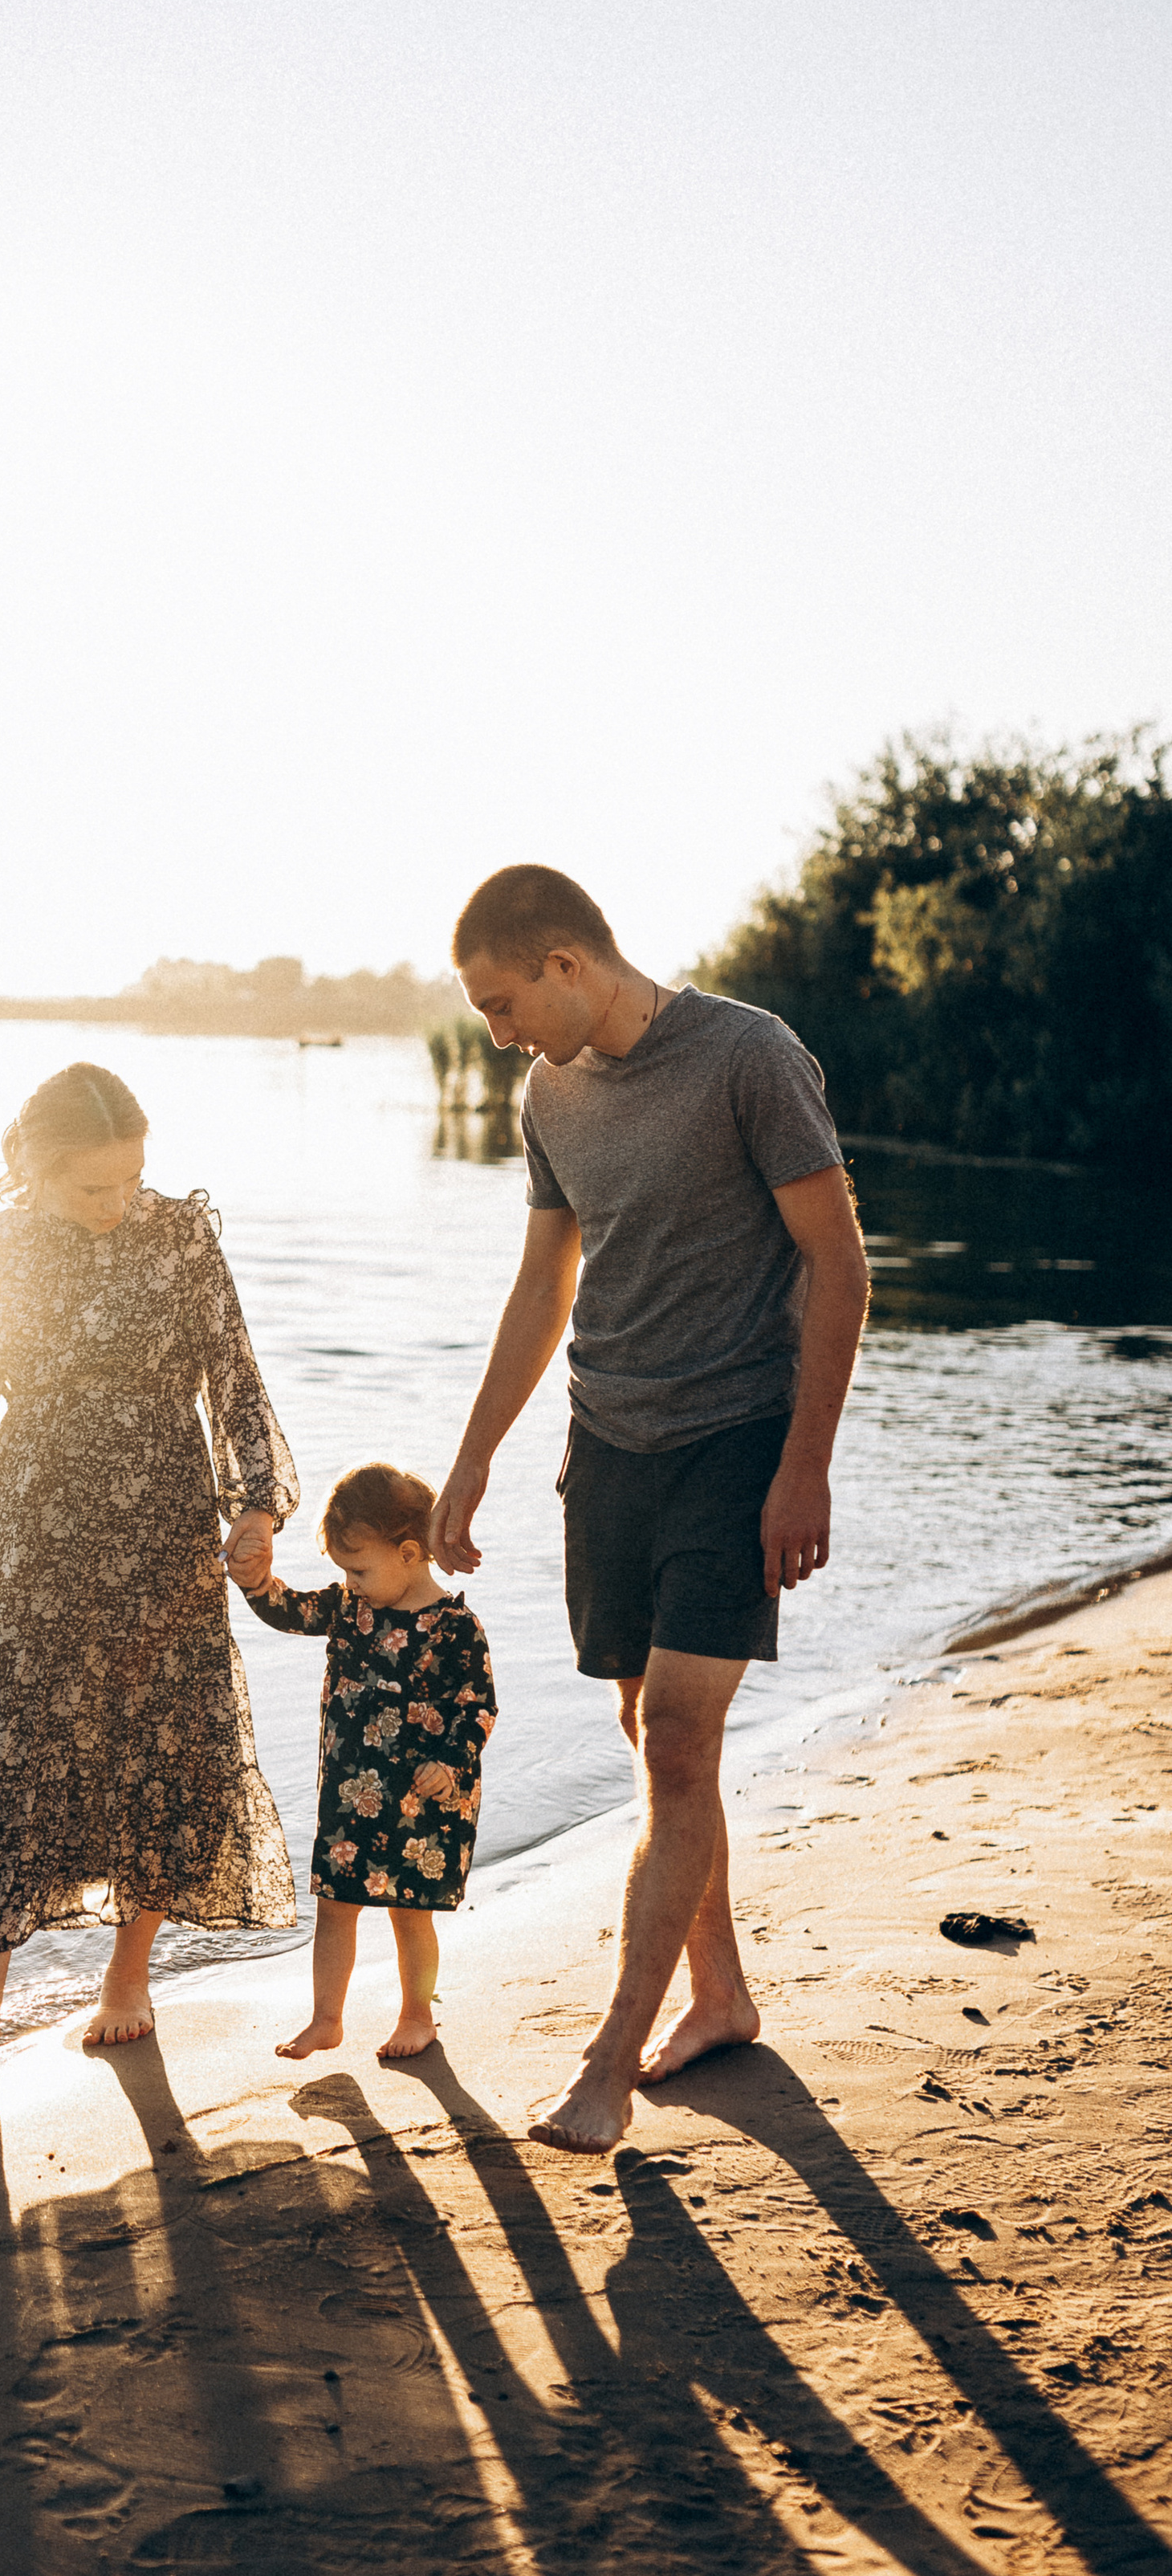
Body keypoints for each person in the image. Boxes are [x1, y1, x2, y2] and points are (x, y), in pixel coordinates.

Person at [431, 864, 870, 2155]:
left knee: (678, 1740)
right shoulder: (546, 1092)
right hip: (607, 1445)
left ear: (567, 960)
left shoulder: (750, 1057)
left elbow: (838, 1261)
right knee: (652, 1729)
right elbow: (542, 1286)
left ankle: (607, 2065)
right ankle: (720, 1993)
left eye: (504, 1001)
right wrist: (473, 1461)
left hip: (737, 1444)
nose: (498, 1029)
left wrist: (807, 1463)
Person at [0, 1059, 299, 2085]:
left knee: (164, 1741)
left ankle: (127, 1981)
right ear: (36, 1172)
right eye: (91, 1188)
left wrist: (257, 1505)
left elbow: (232, 1372)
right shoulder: (0, 1248)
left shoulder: (180, 1234)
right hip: (33, 1536)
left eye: (129, 1181)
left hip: (162, 1522)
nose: (116, 1205)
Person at [241, 1463, 496, 2065]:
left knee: (411, 1913)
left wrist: (451, 1762)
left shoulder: (456, 1629)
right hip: (350, 1791)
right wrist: (257, 1584)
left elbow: (477, 1707)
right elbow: (291, 1610)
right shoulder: (348, 1608)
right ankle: (326, 2019)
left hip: (421, 1797)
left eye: (358, 1569)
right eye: (342, 1572)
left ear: (410, 1552)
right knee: (335, 1905)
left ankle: (417, 2013)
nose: (349, 1583)